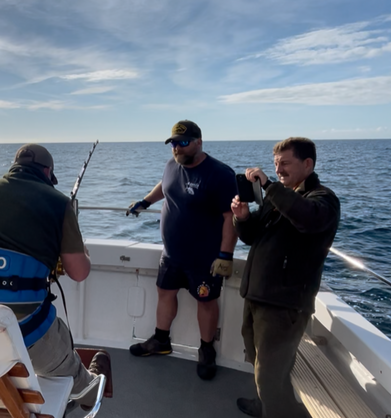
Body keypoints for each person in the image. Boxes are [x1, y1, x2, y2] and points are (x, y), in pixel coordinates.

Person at [0, 143, 110, 410]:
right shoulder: (59, 202)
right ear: (47, 172)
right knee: (78, 380)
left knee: (54, 329)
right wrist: (82, 250)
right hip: (26, 332)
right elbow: (79, 272)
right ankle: (84, 389)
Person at [231, 137, 340, 418]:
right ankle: (263, 406)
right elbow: (251, 236)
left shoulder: (322, 199)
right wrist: (241, 218)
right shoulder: (280, 196)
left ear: (307, 164)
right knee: (258, 363)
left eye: (285, 163)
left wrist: (269, 186)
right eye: (276, 164)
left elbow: (307, 218)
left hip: (284, 304)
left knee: (270, 376)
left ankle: (276, 410)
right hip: (257, 295)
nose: (278, 170)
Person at [126, 120, 238, 381]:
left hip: (204, 259)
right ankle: (161, 340)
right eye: (173, 143)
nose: (177, 148)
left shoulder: (220, 174)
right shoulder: (171, 165)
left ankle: (207, 350)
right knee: (164, 293)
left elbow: (229, 217)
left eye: (183, 143)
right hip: (171, 253)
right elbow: (164, 186)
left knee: (206, 301)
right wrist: (144, 202)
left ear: (199, 142)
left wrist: (225, 256)